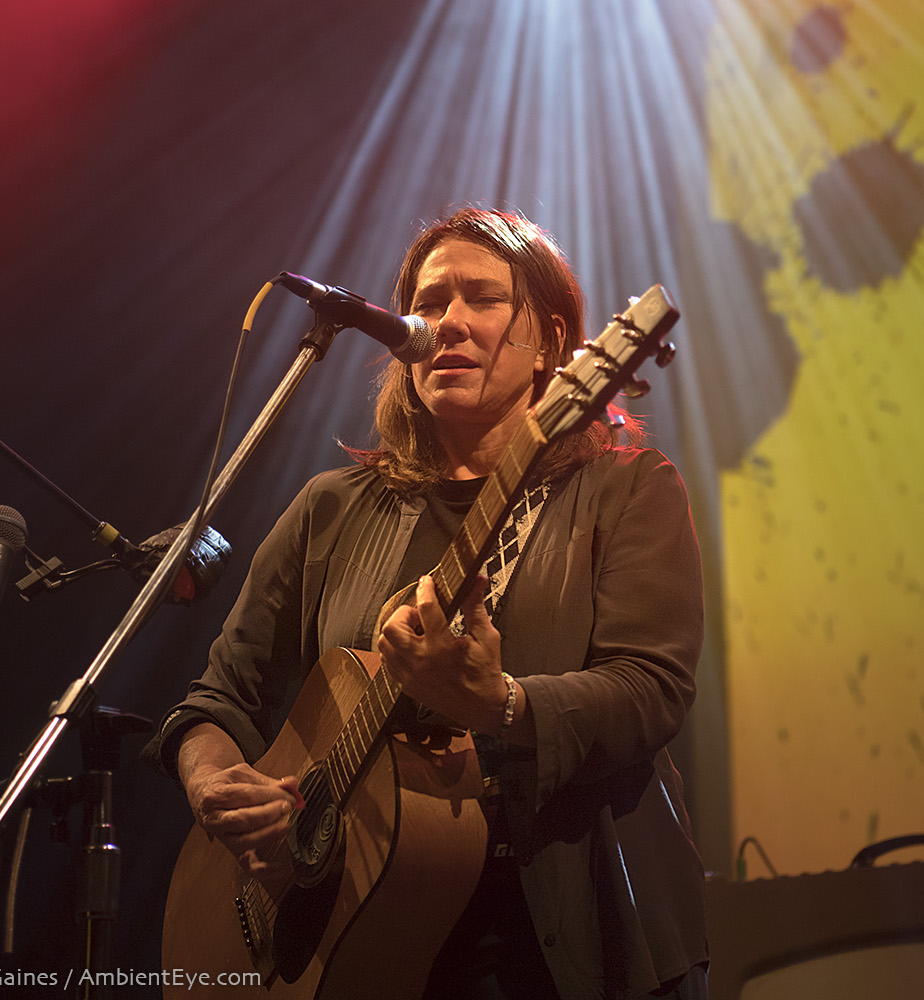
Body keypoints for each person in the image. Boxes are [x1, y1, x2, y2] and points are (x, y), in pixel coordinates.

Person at [146, 206, 709, 999]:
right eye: (430, 301)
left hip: (562, 944)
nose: (447, 323)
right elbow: (215, 699)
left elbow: (652, 691)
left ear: (553, 342)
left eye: (483, 298)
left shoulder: (626, 490)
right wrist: (214, 784)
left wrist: (500, 704)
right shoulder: (331, 508)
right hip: (358, 941)